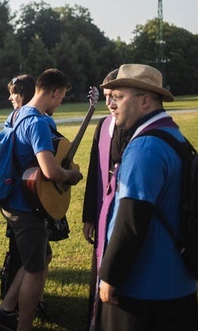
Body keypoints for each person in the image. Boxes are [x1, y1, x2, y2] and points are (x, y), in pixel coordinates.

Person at [97, 64, 198, 330]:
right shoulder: (173, 135)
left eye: (118, 97)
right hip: (178, 282)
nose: (111, 104)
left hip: (144, 291)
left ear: (144, 101)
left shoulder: (144, 146)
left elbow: (131, 220)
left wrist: (110, 276)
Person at [0, 69, 83, 331]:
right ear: (54, 92)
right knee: (34, 269)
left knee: (38, 259)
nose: (61, 102)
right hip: (26, 206)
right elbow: (50, 170)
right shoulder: (38, 123)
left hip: (16, 201)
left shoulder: (18, 114)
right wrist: (72, 175)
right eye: (61, 96)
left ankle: (6, 311)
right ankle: (24, 326)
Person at [82, 68, 124, 329]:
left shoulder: (139, 129)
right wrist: (89, 216)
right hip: (103, 211)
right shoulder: (103, 125)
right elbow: (95, 172)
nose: (109, 103)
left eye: (116, 96)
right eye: (107, 96)